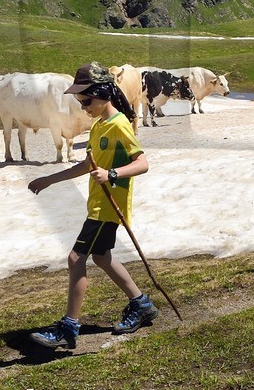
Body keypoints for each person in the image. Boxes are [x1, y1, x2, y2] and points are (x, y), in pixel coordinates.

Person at [25, 62, 157, 348]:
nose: (83, 106)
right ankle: (141, 304)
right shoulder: (99, 126)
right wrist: (50, 179)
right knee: (101, 256)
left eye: (87, 100)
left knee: (76, 258)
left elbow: (142, 163)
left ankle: (68, 327)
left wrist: (112, 174)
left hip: (109, 207)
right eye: (79, 101)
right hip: (99, 203)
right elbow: (88, 164)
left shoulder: (119, 125)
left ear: (103, 93)